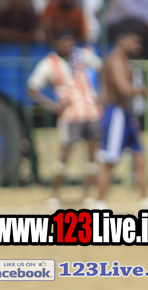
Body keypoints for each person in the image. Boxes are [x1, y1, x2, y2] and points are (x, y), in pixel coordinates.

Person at [27, 27, 103, 208]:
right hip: (70, 114)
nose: (69, 44)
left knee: (92, 156)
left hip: (91, 111)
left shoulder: (82, 55)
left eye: (71, 40)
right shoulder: (49, 63)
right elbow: (32, 88)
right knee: (64, 155)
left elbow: (103, 68)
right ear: (56, 43)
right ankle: (55, 195)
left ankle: (88, 196)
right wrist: (53, 106)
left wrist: (102, 96)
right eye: (65, 41)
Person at [95, 20, 148, 208]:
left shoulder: (122, 59)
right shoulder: (115, 60)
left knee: (140, 157)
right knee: (109, 160)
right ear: (122, 40)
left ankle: (144, 199)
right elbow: (124, 90)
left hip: (125, 113)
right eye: (135, 41)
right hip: (116, 113)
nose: (138, 46)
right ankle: (99, 201)